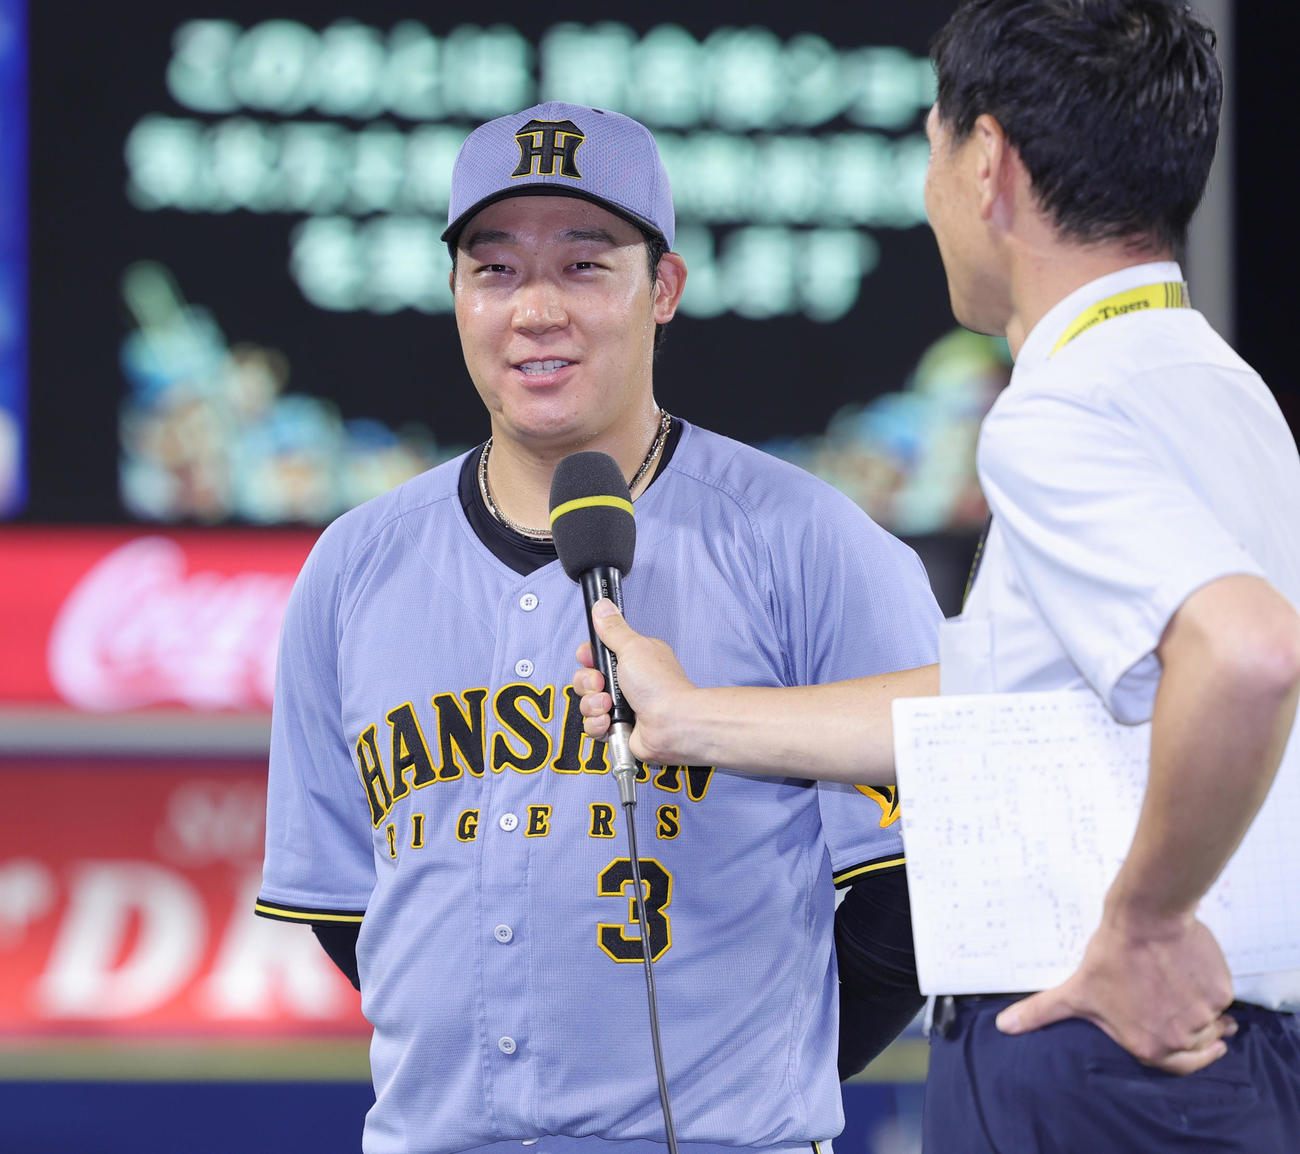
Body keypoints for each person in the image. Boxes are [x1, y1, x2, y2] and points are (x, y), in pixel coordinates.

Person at [573, 3, 1300, 1151]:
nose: (925, 194)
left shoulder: (1057, 409)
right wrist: (692, 715)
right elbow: (1007, 715)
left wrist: (1145, 919)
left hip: (1096, 1052)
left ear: (987, 160)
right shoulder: (1225, 393)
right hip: (1211, 1055)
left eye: (927, 146)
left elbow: (1251, 651)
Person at [255, 100, 943, 1154]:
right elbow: (352, 911)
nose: (535, 309)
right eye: (494, 270)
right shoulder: (353, 565)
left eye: (584, 266)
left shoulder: (811, 545)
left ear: (661, 288)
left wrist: (756, 1073)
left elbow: (914, 893)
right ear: (454, 293)